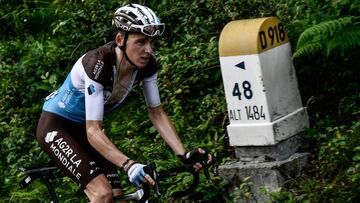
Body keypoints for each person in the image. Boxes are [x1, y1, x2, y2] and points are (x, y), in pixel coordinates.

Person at [36, 3, 212, 203]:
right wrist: (129, 165)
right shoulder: (98, 64)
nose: (148, 50)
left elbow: (157, 113)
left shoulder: (147, 66)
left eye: (152, 42)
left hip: (87, 133)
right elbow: (94, 130)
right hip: (58, 127)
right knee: (102, 194)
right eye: (141, 42)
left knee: (118, 196)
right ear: (120, 39)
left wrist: (184, 154)